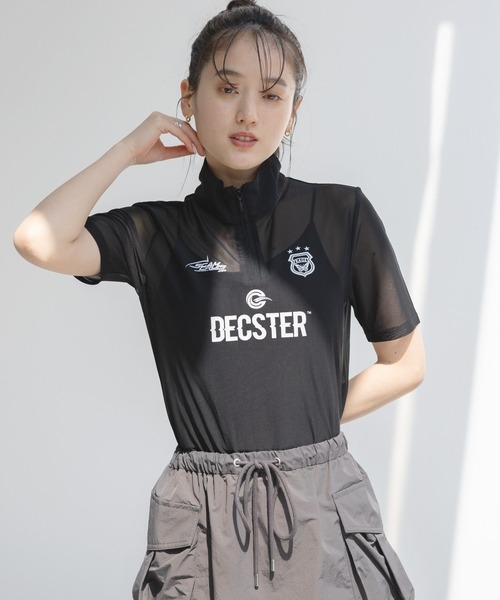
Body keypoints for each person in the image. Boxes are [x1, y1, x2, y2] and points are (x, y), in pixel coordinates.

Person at [14, 1, 425, 598]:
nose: (247, 112)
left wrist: (300, 421)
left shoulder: (342, 215)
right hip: (204, 519)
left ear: (294, 111)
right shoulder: (155, 233)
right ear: (189, 97)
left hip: (323, 508)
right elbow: (38, 239)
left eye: (272, 95)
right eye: (228, 88)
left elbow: (406, 364)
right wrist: (129, 149)